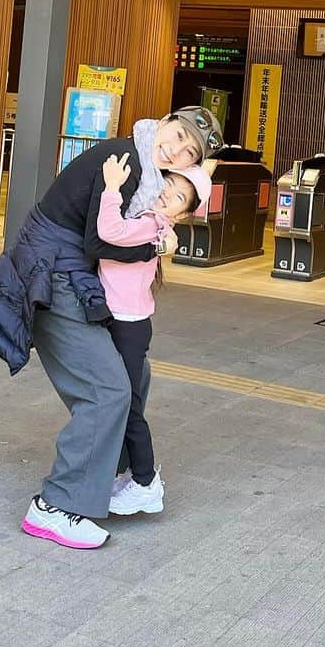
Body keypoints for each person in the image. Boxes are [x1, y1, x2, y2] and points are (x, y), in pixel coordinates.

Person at [0, 105, 224, 550]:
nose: (174, 150)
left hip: (71, 270)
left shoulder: (144, 168)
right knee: (108, 389)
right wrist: (157, 243)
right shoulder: (129, 162)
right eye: (176, 135)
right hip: (55, 271)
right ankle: (56, 506)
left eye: (187, 152)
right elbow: (102, 242)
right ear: (164, 122)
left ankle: (111, 473)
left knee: (134, 375)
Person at [96, 151, 212, 519]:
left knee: (127, 405)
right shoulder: (152, 221)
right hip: (124, 319)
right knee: (121, 400)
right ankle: (128, 473)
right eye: (169, 185)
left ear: (182, 214)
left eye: (179, 197)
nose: (168, 194)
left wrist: (111, 187)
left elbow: (109, 232)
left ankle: (146, 482)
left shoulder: (150, 226)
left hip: (128, 323)